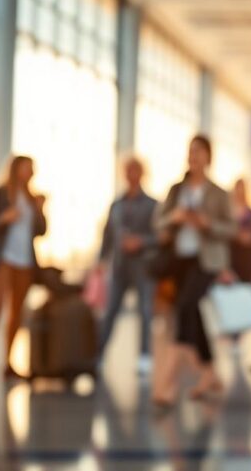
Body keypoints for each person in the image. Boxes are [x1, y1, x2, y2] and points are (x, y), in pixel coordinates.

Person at [151, 135, 236, 406]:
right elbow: (159, 223)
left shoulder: (218, 194)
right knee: (194, 316)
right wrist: (175, 219)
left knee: (186, 309)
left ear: (208, 158)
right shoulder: (177, 190)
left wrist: (206, 223)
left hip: (206, 262)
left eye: (199, 152)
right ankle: (210, 374)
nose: (194, 157)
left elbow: (231, 229)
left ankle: (167, 383)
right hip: (180, 261)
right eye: (191, 152)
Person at [0, 155, 47, 388]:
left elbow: (41, 231)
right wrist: (3, 219)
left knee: (17, 312)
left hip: (24, 261)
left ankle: (8, 364)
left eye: (32, 168)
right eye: (26, 168)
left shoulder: (32, 198)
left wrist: (41, 210)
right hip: (0, 258)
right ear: (16, 170)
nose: (30, 172)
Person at [94, 157, 158, 375]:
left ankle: (145, 356)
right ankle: (100, 354)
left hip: (143, 267)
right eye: (128, 170)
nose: (132, 175)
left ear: (142, 174)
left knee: (145, 311)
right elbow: (107, 235)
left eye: (136, 171)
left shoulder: (152, 205)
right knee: (110, 310)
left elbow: (159, 237)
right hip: (119, 267)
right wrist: (101, 261)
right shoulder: (117, 204)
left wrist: (140, 241)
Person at [228, 178, 251, 285]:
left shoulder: (250, 211)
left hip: (247, 257)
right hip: (233, 255)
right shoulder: (229, 210)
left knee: (246, 287)